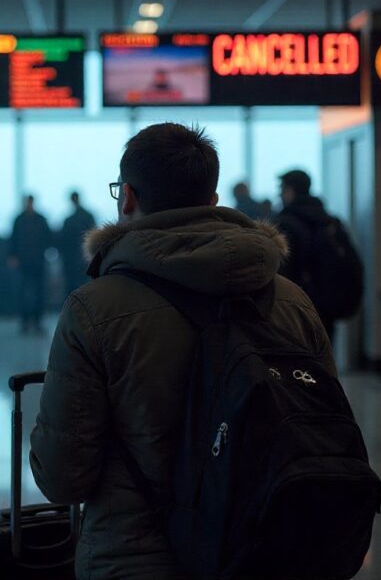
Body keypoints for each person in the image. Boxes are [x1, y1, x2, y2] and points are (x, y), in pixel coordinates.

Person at [29, 123, 335, 579]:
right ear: (212, 201)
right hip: (266, 552)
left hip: (135, 559)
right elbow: (323, 425)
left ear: (127, 197)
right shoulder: (290, 300)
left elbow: (62, 476)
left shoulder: (94, 310)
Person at [276, 169, 355, 339]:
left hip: (298, 303)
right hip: (328, 302)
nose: (280, 195)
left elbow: (284, 269)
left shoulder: (287, 223)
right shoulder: (329, 221)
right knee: (324, 351)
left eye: (281, 190)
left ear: (290, 190)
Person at [8, 195, 52, 334]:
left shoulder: (32, 220)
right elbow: (13, 239)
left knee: (38, 292)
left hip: (36, 261)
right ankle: (25, 321)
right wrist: (13, 256)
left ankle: (37, 321)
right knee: (24, 292)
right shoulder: (23, 220)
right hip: (26, 261)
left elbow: (47, 238)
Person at [58, 191, 96, 296]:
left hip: (73, 258)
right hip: (83, 256)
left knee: (72, 285)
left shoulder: (69, 220)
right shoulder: (88, 217)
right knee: (84, 285)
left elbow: (62, 240)